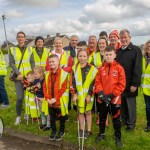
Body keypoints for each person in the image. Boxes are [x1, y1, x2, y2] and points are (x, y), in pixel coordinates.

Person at [94, 46, 126, 147]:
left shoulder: (119, 68)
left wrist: (112, 95)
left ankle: (117, 138)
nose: (108, 56)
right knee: (102, 117)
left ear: (114, 55)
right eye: (106, 55)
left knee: (116, 119)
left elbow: (122, 84)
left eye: (110, 54)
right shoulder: (101, 68)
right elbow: (97, 82)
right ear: (104, 55)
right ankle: (102, 134)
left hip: (114, 99)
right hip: (102, 98)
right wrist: (101, 93)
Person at [116, 29, 142, 131]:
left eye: (125, 37)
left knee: (130, 105)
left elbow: (138, 67)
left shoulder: (136, 50)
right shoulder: (118, 51)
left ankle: (131, 124)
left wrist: (135, 84)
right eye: (121, 38)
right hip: (120, 84)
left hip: (131, 83)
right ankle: (125, 120)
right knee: (122, 104)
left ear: (129, 38)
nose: (123, 39)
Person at [71, 49, 98, 139]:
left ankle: (89, 130)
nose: (82, 58)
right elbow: (72, 82)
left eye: (84, 56)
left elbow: (93, 83)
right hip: (78, 95)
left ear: (87, 57)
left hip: (89, 95)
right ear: (77, 57)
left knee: (88, 112)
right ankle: (81, 129)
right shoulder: (74, 68)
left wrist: (89, 94)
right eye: (80, 56)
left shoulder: (93, 69)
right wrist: (74, 94)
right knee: (80, 112)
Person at [9, 31, 34, 125]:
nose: (20, 38)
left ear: (25, 38)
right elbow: (11, 63)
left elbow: (32, 62)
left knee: (28, 97)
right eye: (18, 37)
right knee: (20, 98)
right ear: (17, 38)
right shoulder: (12, 49)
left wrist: (31, 75)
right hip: (19, 78)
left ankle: (27, 113)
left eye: (22, 37)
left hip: (28, 78)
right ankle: (18, 116)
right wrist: (18, 73)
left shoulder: (30, 49)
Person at [43, 54, 69, 141]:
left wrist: (56, 98)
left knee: (62, 117)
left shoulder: (64, 74)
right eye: (50, 62)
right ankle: (53, 131)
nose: (51, 63)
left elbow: (64, 88)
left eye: (53, 61)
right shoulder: (46, 74)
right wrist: (47, 98)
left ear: (58, 62)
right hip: (50, 101)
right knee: (52, 117)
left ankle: (61, 131)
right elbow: (44, 87)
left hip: (59, 101)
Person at [33, 66, 51, 131]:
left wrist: (44, 98)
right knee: (41, 112)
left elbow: (46, 90)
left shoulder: (44, 81)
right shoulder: (35, 80)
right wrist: (35, 96)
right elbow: (34, 89)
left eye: (36, 74)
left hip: (44, 99)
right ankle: (44, 123)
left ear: (41, 74)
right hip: (38, 99)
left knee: (46, 112)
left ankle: (49, 125)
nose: (34, 75)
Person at [141, 40, 150, 132]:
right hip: (146, 89)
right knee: (148, 108)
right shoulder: (143, 59)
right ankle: (149, 125)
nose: (149, 49)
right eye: (148, 47)